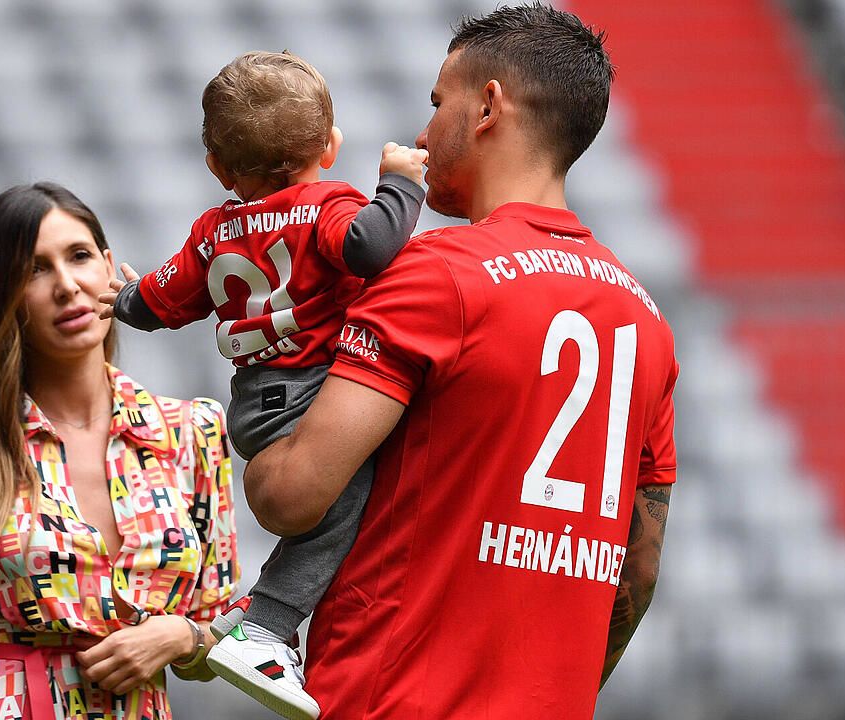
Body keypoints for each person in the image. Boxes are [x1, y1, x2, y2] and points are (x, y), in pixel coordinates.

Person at [243, 5, 678, 719]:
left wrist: (259, 430)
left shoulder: (434, 274)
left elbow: (291, 496)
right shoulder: (646, 319)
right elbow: (641, 567)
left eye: (438, 102)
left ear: (488, 106)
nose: (422, 133)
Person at [100, 51, 427, 720]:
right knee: (344, 502)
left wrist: (123, 296)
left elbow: (157, 305)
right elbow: (368, 246)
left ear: (217, 168)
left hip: (253, 402)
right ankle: (266, 626)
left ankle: (262, 624)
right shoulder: (324, 205)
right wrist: (399, 184)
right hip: (312, 394)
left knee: (343, 506)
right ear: (330, 147)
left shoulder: (214, 233)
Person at [0, 182, 239, 720]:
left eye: (78, 257)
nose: (67, 286)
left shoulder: (192, 431)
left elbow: (220, 631)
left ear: (108, 265)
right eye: (34, 270)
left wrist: (180, 635)